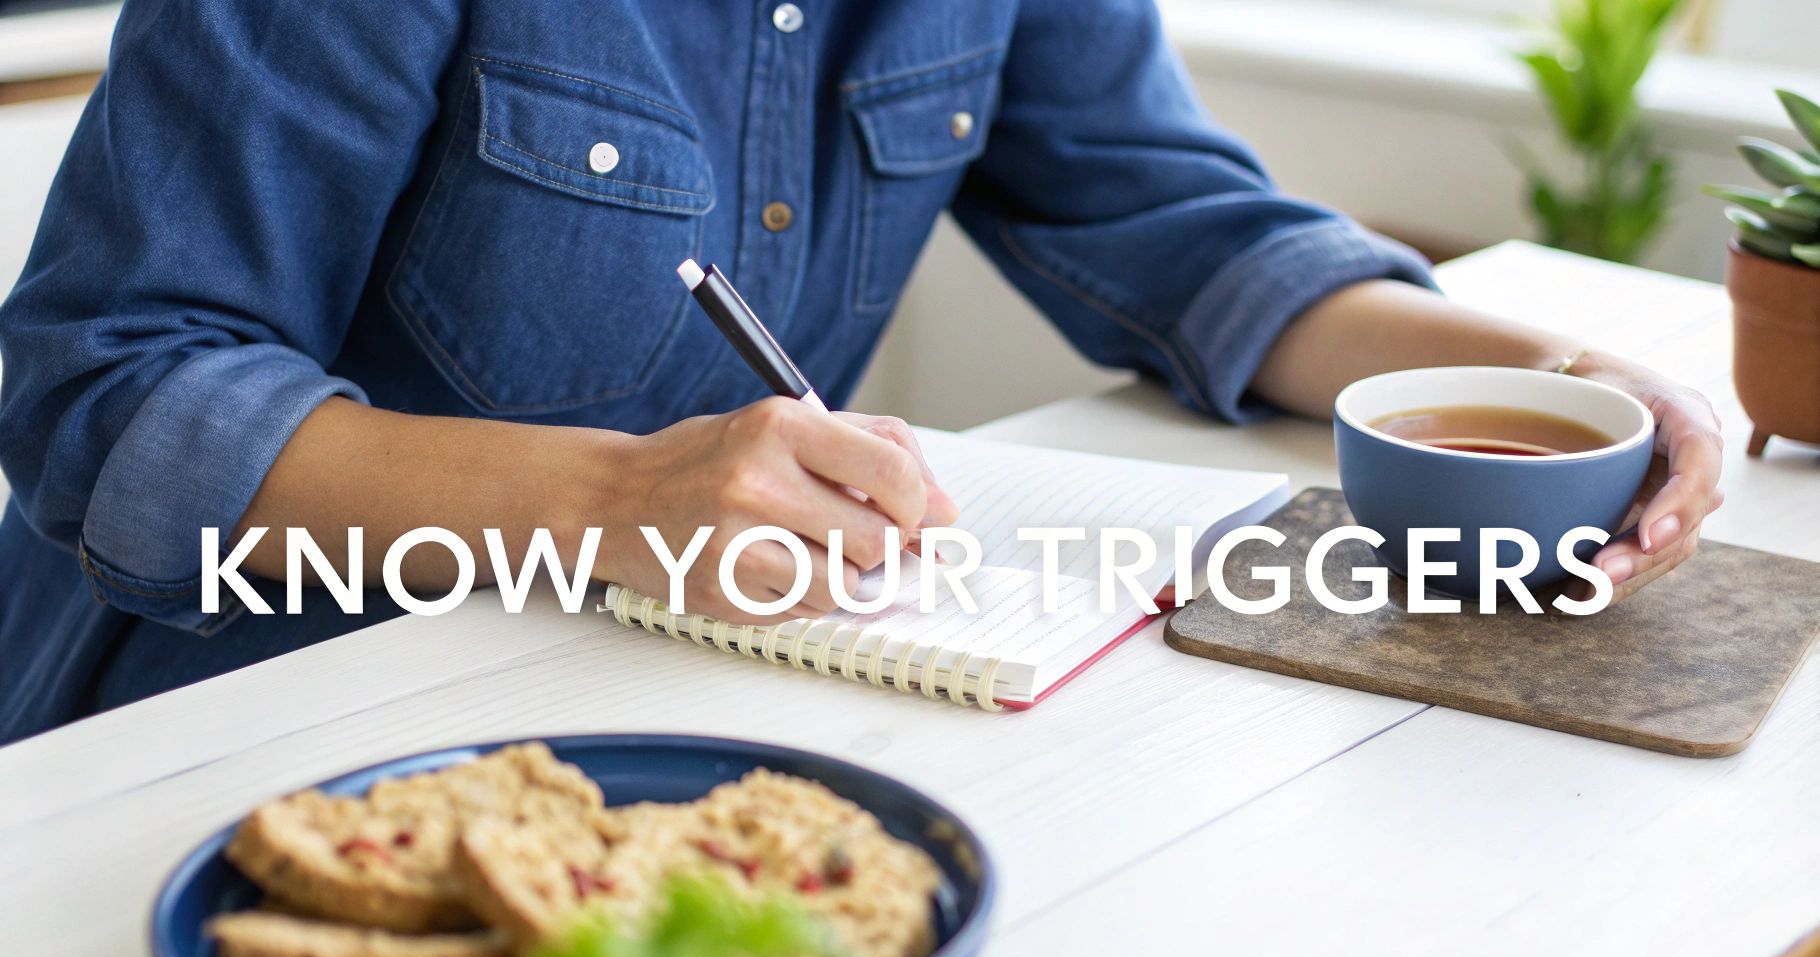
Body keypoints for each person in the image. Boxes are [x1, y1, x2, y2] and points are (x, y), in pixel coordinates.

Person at [0, 0, 1722, 745]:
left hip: (713, 695)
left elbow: (1177, 226)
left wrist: (1563, 373)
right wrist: (615, 504)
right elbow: (105, 394)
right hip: (234, 710)